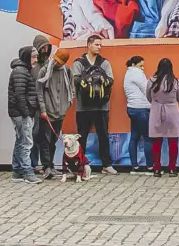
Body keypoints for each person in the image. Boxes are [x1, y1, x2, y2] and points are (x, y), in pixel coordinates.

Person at [71, 36, 117, 174]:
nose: (99, 47)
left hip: (101, 107)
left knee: (103, 136)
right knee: (82, 137)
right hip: (83, 107)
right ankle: (79, 165)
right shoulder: (78, 63)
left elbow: (111, 79)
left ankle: (106, 165)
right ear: (89, 45)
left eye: (100, 45)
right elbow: (74, 79)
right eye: (97, 44)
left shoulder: (104, 62)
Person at [34, 41, 72, 179]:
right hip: (47, 113)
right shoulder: (44, 70)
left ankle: (51, 165)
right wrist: (43, 110)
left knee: (53, 141)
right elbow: (39, 92)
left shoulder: (67, 71)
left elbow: (71, 89)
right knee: (44, 140)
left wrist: (67, 105)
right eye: (57, 61)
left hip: (60, 112)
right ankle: (47, 166)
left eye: (60, 62)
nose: (57, 64)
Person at [5, 46, 40, 182]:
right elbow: (19, 95)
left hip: (19, 112)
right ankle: (27, 172)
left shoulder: (23, 70)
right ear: (26, 56)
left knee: (20, 141)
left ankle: (17, 171)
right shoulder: (21, 71)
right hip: (21, 113)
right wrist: (26, 112)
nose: (36, 59)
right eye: (34, 56)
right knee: (26, 142)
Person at [147, 58, 179, 175]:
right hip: (172, 112)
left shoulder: (151, 80)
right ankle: (172, 168)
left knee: (156, 141)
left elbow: (148, 97)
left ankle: (157, 168)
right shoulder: (175, 81)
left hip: (156, 111)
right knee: (173, 141)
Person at [122, 55, 151, 172]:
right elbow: (147, 89)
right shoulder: (137, 73)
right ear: (134, 65)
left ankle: (134, 165)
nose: (143, 68)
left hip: (132, 108)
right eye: (141, 66)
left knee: (134, 137)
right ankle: (150, 166)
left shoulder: (128, 73)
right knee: (148, 138)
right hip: (141, 109)